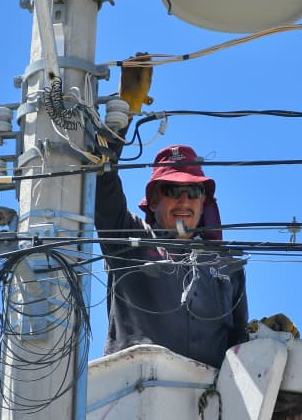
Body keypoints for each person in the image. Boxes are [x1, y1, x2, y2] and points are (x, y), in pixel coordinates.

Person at [95, 139, 249, 368]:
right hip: (136, 382)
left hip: (212, 388)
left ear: (203, 201)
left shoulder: (226, 264)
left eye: (194, 191)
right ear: (153, 200)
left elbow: (240, 341)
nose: (184, 201)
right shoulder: (130, 237)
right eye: (172, 190)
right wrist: (112, 138)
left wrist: (268, 337)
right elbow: (104, 190)